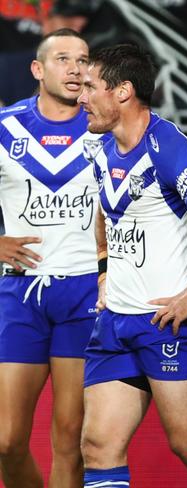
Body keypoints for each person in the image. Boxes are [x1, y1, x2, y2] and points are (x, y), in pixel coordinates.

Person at [77, 44, 187, 487]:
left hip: (166, 323)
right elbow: (105, 209)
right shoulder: (102, 147)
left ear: (123, 91)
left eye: (91, 87)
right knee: (96, 445)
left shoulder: (166, 145)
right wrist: (104, 268)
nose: (81, 96)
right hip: (115, 323)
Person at [0, 28, 98, 488]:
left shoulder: (105, 126)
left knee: (70, 440)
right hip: (18, 292)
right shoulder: (6, 128)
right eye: (63, 59)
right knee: (6, 442)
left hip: (84, 293)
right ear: (38, 70)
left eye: (83, 59)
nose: (76, 68)